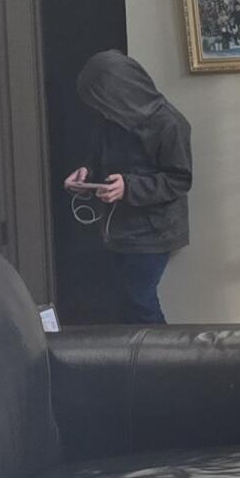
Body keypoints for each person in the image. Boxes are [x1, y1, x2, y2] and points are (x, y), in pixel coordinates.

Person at [64, 50, 192, 324]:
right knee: (123, 301)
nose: (99, 111)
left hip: (154, 231)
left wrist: (128, 187)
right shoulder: (108, 120)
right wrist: (86, 174)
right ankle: (134, 362)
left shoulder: (169, 123)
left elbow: (180, 180)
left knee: (140, 302)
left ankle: (162, 362)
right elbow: (99, 157)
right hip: (116, 228)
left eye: (101, 103)